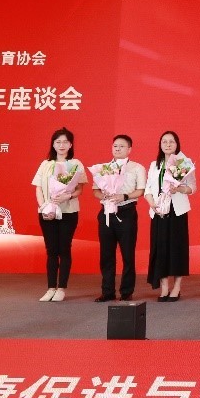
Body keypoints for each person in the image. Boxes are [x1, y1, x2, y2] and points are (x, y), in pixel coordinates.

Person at [31, 127, 86, 302]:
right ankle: (50, 288)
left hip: (68, 211)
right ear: (53, 145)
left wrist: (67, 196)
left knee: (64, 249)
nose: (61, 145)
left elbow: (80, 189)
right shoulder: (45, 164)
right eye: (58, 142)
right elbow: (38, 188)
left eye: (65, 142)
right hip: (47, 212)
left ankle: (61, 288)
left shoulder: (76, 164)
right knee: (51, 251)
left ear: (70, 145)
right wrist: (44, 207)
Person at [90, 134, 146, 302]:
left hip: (126, 212)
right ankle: (107, 291)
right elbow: (95, 190)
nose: (117, 149)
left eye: (122, 146)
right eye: (115, 146)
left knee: (128, 254)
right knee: (106, 254)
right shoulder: (103, 168)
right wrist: (103, 195)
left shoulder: (137, 168)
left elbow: (141, 190)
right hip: (107, 212)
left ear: (129, 149)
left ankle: (126, 291)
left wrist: (124, 196)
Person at [144, 131, 195, 302]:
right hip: (158, 210)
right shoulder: (154, 165)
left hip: (177, 210)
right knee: (160, 249)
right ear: (160, 145)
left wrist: (178, 188)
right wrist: (152, 203)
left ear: (177, 144)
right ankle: (164, 287)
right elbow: (148, 189)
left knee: (177, 249)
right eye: (164, 142)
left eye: (171, 142)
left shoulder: (184, 163)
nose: (167, 144)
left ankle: (177, 287)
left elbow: (192, 188)